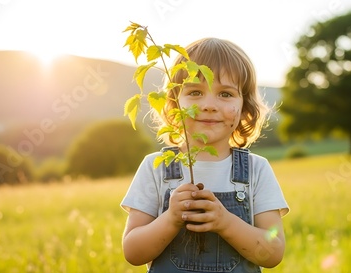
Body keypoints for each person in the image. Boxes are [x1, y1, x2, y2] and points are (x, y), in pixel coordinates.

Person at [120, 37, 289, 272]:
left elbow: (273, 253)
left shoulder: (256, 170)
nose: (209, 105)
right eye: (195, 92)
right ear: (174, 104)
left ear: (244, 108)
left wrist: (225, 223)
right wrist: (171, 218)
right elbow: (133, 252)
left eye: (226, 94)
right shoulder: (157, 167)